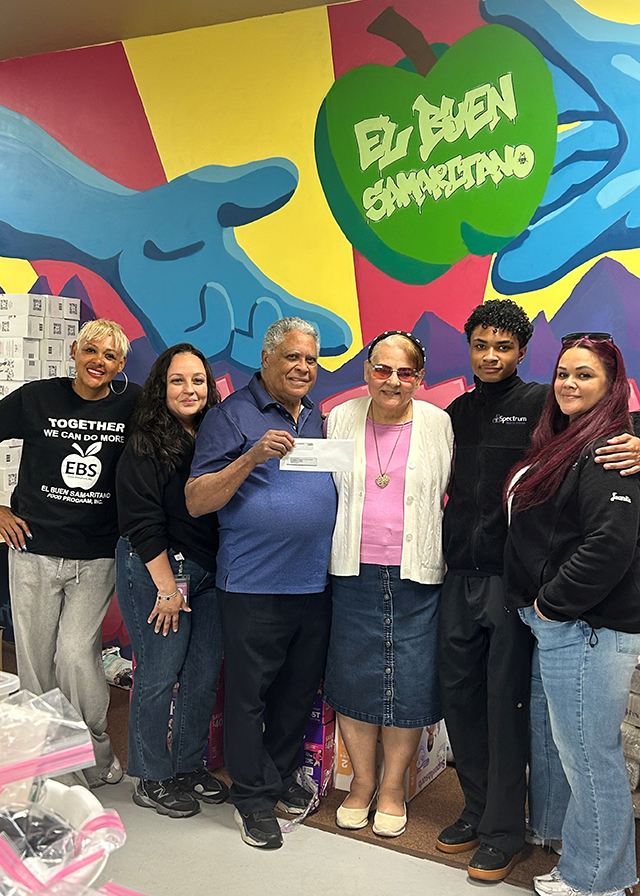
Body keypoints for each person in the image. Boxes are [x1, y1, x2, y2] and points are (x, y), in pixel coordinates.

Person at [436, 300, 640, 881]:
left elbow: (615, 429)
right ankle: (477, 809)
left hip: (517, 587)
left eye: (503, 346)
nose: (490, 356)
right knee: (461, 703)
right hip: (458, 576)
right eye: (481, 345)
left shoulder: (543, 406)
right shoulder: (455, 413)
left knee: (508, 709)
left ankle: (505, 830)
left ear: (523, 352)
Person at [185, 317, 336, 850]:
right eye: (292, 357)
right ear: (267, 358)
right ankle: (251, 799)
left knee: (297, 691)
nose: (302, 368)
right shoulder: (230, 415)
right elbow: (197, 499)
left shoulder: (318, 416)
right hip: (252, 582)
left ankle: (277, 776)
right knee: (249, 695)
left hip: (313, 582)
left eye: (311, 360)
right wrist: (251, 456)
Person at [504, 333, 640, 896]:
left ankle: (598, 882)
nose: (568, 383)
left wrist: (550, 605)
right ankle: (579, 857)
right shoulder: (569, 439)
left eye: (585, 375)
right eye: (563, 373)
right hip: (568, 626)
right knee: (576, 749)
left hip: (586, 628)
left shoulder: (610, 447)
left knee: (589, 756)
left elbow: (610, 544)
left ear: (612, 385)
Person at [0, 319, 140, 787]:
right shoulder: (37, 397)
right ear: (75, 351)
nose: (99, 361)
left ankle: (95, 752)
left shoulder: (133, 403)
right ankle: (48, 766)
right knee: (36, 665)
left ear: (120, 364)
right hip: (33, 550)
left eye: (110, 356)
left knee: (77, 655)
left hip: (97, 555)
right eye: (91, 350)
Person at [324, 330, 453, 837]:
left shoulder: (438, 423)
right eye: (382, 369)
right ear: (367, 371)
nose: (392, 381)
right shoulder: (340, 418)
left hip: (417, 574)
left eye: (405, 372)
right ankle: (361, 783)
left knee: (412, 680)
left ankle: (394, 787)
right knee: (354, 674)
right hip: (353, 571)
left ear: (419, 378)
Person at [115, 343, 228, 818]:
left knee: (202, 676)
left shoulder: (216, 435)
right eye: (177, 380)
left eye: (197, 380)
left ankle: (186, 766)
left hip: (208, 573)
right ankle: (151, 776)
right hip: (157, 569)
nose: (189, 389)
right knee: (159, 675)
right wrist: (166, 588)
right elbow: (141, 522)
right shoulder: (145, 442)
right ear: (161, 386)